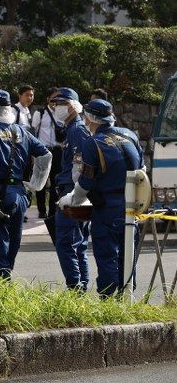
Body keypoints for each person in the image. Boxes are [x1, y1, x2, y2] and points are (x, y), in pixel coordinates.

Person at [58, 98, 145, 297]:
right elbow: (142, 171)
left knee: (106, 255)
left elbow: (86, 181)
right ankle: (127, 296)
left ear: (90, 117)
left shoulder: (93, 143)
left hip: (107, 207)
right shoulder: (130, 135)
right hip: (132, 204)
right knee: (128, 253)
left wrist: (72, 199)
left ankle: (107, 298)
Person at [0, 88, 52, 279]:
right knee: (12, 241)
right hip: (20, 194)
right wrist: (36, 185)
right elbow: (46, 154)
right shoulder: (21, 131)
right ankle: (4, 279)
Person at [49, 87, 90, 292]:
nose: (57, 108)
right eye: (55, 104)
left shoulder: (76, 130)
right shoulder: (71, 129)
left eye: (62, 104)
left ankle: (76, 287)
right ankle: (80, 286)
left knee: (66, 243)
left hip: (72, 192)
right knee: (77, 244)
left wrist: (75, 196)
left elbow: (80, 167)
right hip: (71, 191)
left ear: (73, 106)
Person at [30, 86, 63, 232]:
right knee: (41, 180)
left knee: (56, 181)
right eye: (53, 98)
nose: (56, 101)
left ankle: (53, 210)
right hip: (43, 150)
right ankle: (42, 209)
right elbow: (33, 130)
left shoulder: (62, 113)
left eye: (58, 98)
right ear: (48, 98)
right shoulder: (40, 113)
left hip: (58, 150)